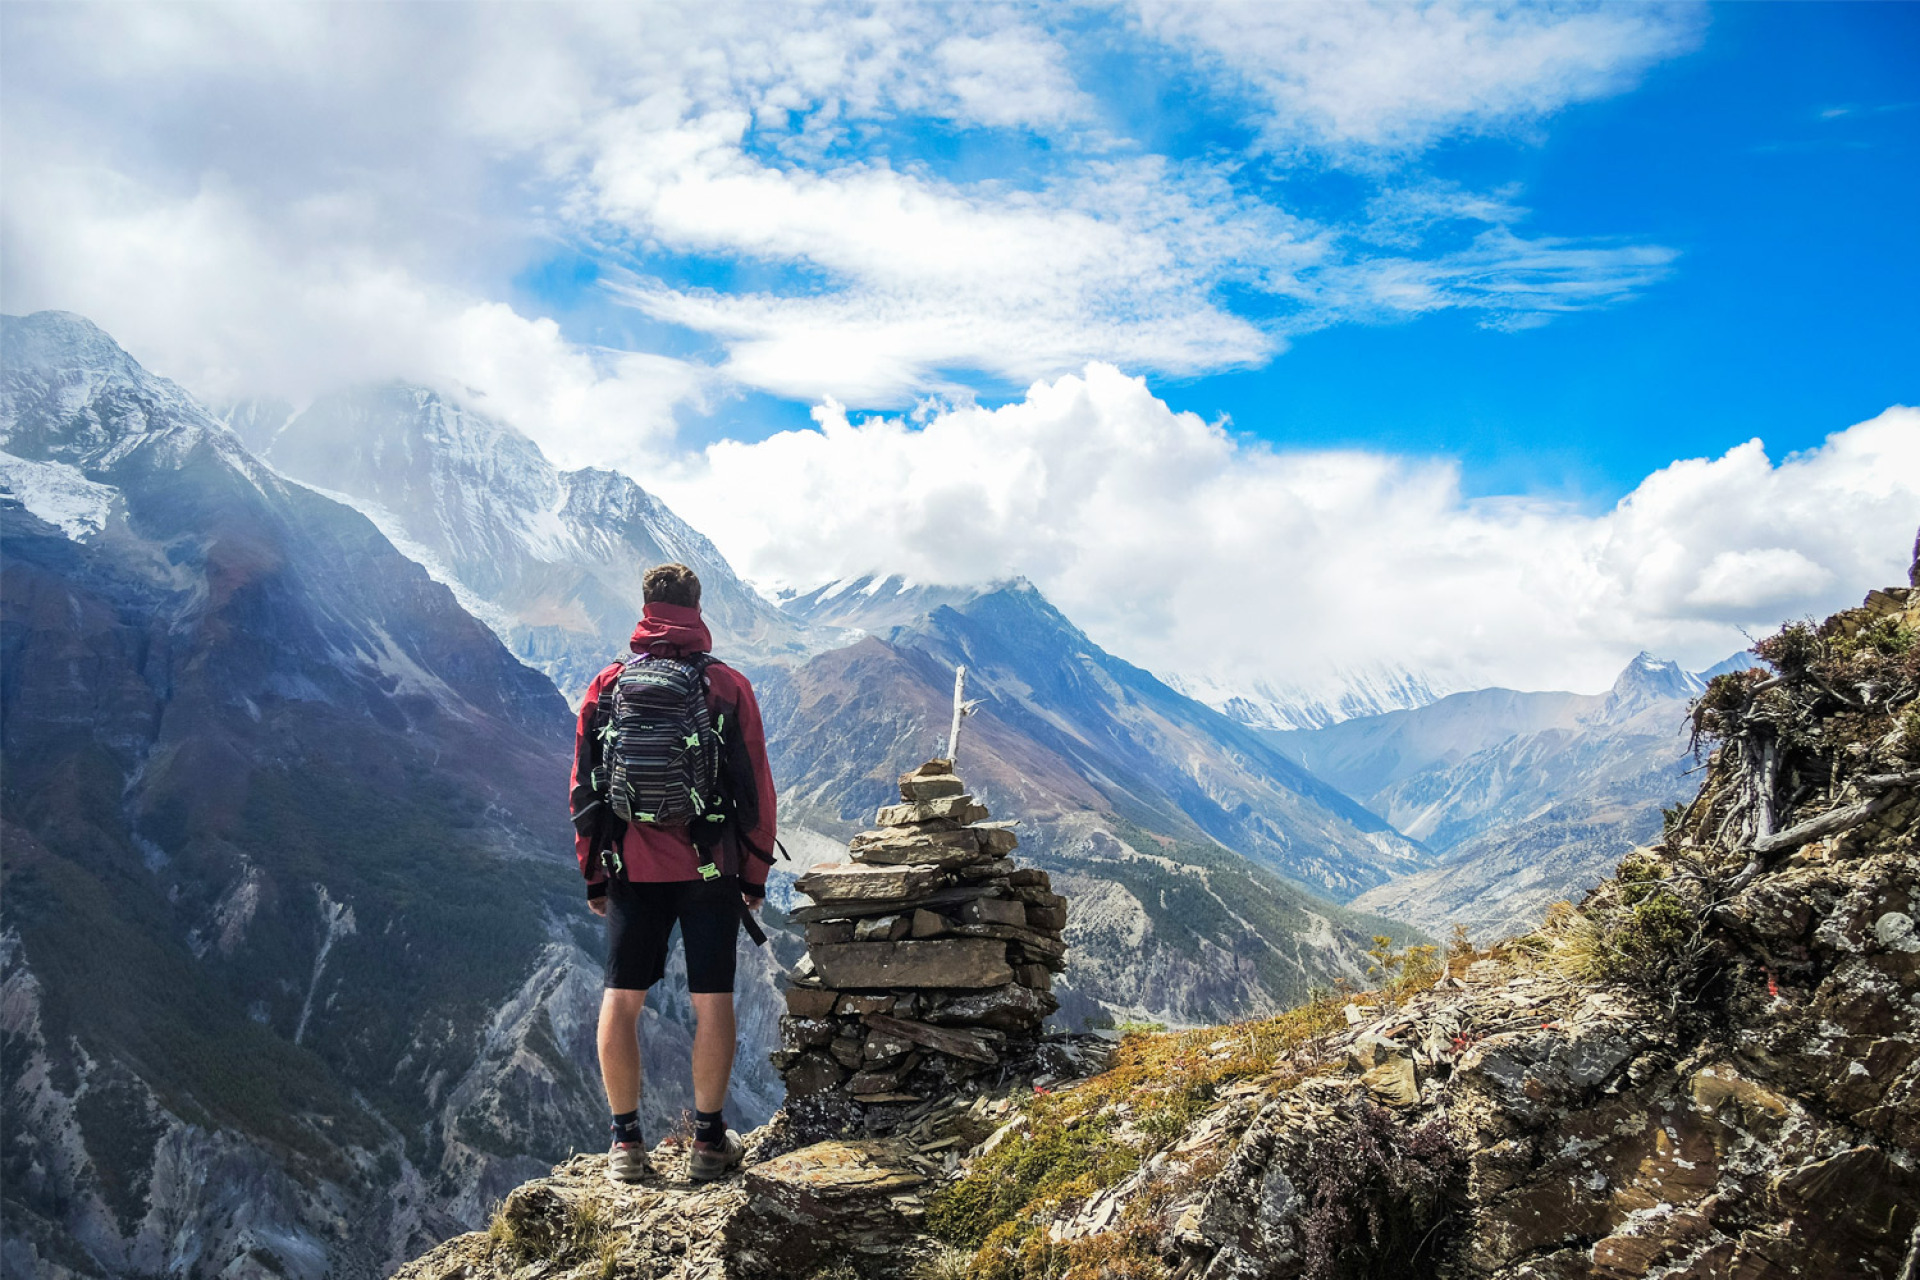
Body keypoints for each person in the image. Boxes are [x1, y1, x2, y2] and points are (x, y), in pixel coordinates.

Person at [570, 562, 777, 1184]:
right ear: (698, 607)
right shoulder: (727, 686)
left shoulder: (607, 685)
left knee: (622, 999)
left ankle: (626, 1144)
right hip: (711, 868)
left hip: (631, 865)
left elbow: (583, 789)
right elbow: (756, 790)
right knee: (713, 1001)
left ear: (644, 607)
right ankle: (710, 1142)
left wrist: (594, 875)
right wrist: (755, 874)